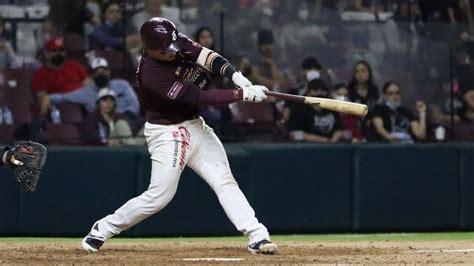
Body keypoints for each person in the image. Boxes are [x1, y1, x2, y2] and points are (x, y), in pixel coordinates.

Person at [82, 17, 277, 255]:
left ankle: (257, 235)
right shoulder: (151, 75)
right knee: (158, 197)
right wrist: (241, 94)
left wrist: (237, 77)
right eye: (166, 51)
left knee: (224, 180)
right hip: (167, 132)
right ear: (151, 49)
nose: (173, 53)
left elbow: (208, 57)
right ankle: (103, 228)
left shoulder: (173, 42)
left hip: (195, 125)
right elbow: (199, 98)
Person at [48, 56, 143, 132]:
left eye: (103, 71)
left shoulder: (122, 84)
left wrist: (123, 117)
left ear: (109, 72)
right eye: (97, 72)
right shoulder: (85, 92)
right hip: (103, 125)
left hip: (128, 118)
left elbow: (134, 104)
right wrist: (47, 98)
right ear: (92, 75)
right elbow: (64, 97)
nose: (101, 74)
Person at [32, 37, 93, 116]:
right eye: (55, 51)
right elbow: (43, 99)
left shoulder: (74, 65)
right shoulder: (40, 74)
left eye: (61, 50)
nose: (59, 54)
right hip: (63, 111)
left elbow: (90, 88)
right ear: (46, 53)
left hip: (84, 107)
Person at [287, 79, 343, 143]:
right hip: (307, 147)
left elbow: (340, 128)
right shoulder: (299, 108)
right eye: (315, 90)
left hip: (332, 145)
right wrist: (324, 140)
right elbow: (295, 133)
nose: (319, 93)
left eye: (322, 90)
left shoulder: (332, 106)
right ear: (308, 93)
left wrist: (335, 138)